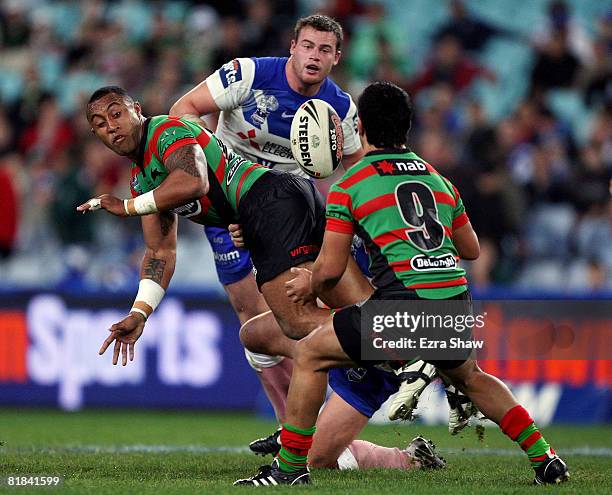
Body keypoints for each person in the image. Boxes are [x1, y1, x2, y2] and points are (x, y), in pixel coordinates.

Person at [78, 85, 445, 473]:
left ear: (136, 108)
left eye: (116, 114)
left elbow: (193, 182)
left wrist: (126, 207)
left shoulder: (167, 132)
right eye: (100, 124)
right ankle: (411, 349)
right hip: (285, 200)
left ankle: (405, 349)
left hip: (269, 204)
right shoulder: (143, 179)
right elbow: (160, 253)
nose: (111, 127)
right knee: (258, 335)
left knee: (296, 321)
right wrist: (140, 312)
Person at [234, 82, 569, 486]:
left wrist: (309, 285)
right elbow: (472, 249)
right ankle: (544, 457)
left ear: (360, 127)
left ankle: (287, 470)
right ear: (407, 127)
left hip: (402, 309)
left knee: (309, 355)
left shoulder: (351, 185)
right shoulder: (438, 179)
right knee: (472, 378)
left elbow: (329, 271)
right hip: (454, 304)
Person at [170, 13, 471, 439]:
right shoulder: (248, 74)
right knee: (254, 326)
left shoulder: (342, 109)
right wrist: (218, 179)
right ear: (292, 46)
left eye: (324, 50)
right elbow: (183, 112)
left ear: (336, 58)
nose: (314, 56)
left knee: (318, 307)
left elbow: (360, 174)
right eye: (308, 46)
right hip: (231, 206)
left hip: (291, 211)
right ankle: (315, 407)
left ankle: (396, 356)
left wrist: (373, 228)